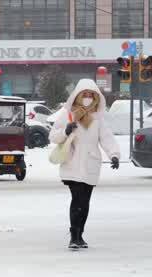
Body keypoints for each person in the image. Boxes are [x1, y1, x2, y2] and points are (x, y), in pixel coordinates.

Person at [48, 78, 119, 250]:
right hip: (72, 162)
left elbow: (106, 138)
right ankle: (74, 235)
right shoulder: (68, 113)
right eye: (84, 94)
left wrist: (114, 154)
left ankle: (80, 235)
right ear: (77, 95)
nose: (87, 97)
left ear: (96, 97)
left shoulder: (98, 117)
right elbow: (53, 136)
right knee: (77, 199)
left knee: (85, 202)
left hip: (91, 163)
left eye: (91, 94)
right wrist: (65, 131)